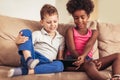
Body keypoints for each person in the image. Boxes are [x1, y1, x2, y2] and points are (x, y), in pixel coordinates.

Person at [65, 0, 120, 80]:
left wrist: (84, 58)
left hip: (88, 60)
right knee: (90, 65)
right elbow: (72, 50)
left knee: (118, 55)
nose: (79, 20)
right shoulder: (70, 31)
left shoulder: (94, 32)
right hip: (73, 61)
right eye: (76, 18)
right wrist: (83, 60)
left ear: (88, 16)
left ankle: (116, 77)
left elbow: (89, 45)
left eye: (82, 17)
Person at [8, 4, 65, 77]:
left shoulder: (61, 38)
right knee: (26, 31)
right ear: (42, 22)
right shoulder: (37, 34)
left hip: (46, 63)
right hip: (33, 57)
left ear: (58, 20)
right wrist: (17, 43)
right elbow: (27, 46)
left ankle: (25, 71)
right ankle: (29, 60)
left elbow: (60, 58)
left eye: (55, 21)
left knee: (60, 65)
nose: (52, 24)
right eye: (48, 22)